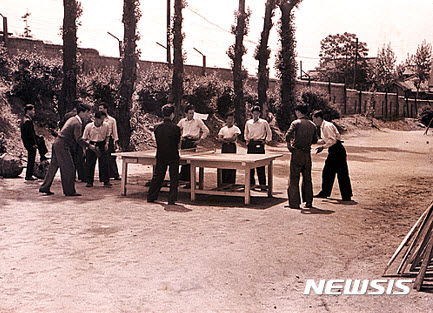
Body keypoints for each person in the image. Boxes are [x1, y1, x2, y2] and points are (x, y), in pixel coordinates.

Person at [39, 103, 95, 196]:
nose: (88, 116)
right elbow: (78, 139)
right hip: (62, 144)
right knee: (69, 168)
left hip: (57, 142)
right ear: (81, 112)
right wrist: (89, 146)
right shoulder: (77, 123)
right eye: (87, 113)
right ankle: (69, 191)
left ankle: (44, 187)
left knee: (53, 167)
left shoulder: (72, 119)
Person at [312, 110, 353, 201]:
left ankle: (346, 195)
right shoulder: (323, 127)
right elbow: (326, 140)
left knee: (341, 173)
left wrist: (323, 147)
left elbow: (333, 140)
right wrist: (314, 141)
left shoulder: (327, 126)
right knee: (328, 172)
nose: (314, 122)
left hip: (337, 149)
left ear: (319, 118)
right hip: (333, 149)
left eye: (314, 120)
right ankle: (325, 192)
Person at [285, 104, 318, 209]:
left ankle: (294, 202)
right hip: (307, 154)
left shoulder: (296, 123)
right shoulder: (312, 125)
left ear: (298, 112)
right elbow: (315, 140)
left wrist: (289, 145)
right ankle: (308, 201)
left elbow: (287, 135)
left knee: (294, 178)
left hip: (297, 152)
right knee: (307, 178)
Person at [147, 104, 181, 205]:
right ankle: (172, 198)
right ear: (172, 114)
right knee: (174, 177)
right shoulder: (176, 128)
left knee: (158, 176)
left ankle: (151, 196)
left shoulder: (157, 127)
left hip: (161, 153)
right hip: (173, 154)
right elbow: (177, 142)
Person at [177, 104, 209, 185]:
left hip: (192, 142)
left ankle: (190, 181)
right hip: (184, 142)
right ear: (186, 114)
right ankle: (183, 179)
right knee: (183, 161)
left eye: (192, 113)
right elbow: (176, 130)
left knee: (190, 162)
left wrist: (200, 140)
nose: (191, 115)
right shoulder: (182, 121)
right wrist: (180, 137)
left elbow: (206, 130)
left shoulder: (198, 121)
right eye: (190, 113)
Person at [244, 105, 272, 190]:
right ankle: (251, 184)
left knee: (261, 165)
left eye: (257, 113)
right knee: (250, 164)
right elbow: (246, 132)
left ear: (259, 113)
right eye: (254, 113)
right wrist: (247, 140)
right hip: (251, 143)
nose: (255, 115)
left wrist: (266, 140)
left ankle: (262, 185)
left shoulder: (264, 122)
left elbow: (269, 132)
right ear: (252, 114)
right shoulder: (248, 122)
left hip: (260, 143)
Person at [82, 111, 111, 187]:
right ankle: (89, 181)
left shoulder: (106, 125)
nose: (102, 121)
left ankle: (105, 180)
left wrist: (107, 143)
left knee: (104, 163)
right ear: (96, 119)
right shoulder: (89, 126)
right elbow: (84, 138)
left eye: (103, 119)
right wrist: (85, 149)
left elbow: (108, 135)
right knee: (90, 163)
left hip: (102, 143)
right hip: (91, 143)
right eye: (101, 119)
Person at [20, 104, 48, 180]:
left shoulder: (24, 119)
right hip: (30, 143)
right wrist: (34, 143)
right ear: (29, 111)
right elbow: (30, 135)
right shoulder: (27, 121)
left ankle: (29, 174)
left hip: (28, 142)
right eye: (33, 110)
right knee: (31, 158)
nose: (34, 112)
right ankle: (28, 175)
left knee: (31, 157)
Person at [59, 105, 86, 182]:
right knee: (79, 159)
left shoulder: (67, 115)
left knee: (70, 159)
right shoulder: (78, 119)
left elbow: (61, 125)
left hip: (69, 140)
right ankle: (82, 176)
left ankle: (72, 177)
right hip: (76, 140)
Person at [98, 103, 121, 180]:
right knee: (102, 158)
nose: (100, 110)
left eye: (101, 108)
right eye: (99, 108)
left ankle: (115, 174)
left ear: (105, 109)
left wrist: (115, 140)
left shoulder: (111, 120)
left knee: (111, 157)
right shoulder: (98, 119)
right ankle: (104, 176)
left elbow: (114, 130)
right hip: (101, 139)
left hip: (109, 139)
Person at [217, 112, 241, 185]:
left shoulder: (236, 129)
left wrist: (225, 139)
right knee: (224, 164)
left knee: (232, 164)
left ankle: (231, 183)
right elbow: (219, 139)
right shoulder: (223, 129)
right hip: (224, 147)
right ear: (226, 120)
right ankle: (223, 182)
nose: (230, 121)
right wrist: (226, 140)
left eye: (232, 119)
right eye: (229, 119)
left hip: (232, 147)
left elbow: (234, 138)